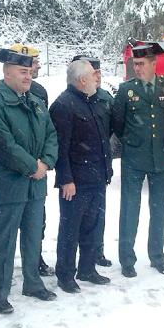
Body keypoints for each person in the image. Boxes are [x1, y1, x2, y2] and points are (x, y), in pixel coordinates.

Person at [0, 49, 58, 314]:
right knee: (4, 240)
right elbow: (3, 145)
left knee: (34, 236)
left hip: (35, 185)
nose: (28, 76)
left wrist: (45, 162)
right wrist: (32, 166)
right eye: (23, 72)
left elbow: (51, 134)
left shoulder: (35, 101)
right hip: (9, 185)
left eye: (30, 71)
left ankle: (33, 283)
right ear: (7, 72)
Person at [112, 43, 164, 278]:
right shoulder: (126, 90)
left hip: (161, 158)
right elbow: (118, 125)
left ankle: (157, 257)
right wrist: (134, 142)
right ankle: (127, 259)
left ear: (154, 63)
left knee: (159, 209)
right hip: (133, 158)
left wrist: (160, 142)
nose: (137, 68)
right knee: (130, 208)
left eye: (142, 64)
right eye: (135, 64)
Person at [49, 60, 113, 293]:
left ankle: (87, 269)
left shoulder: (94, 101)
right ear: (82, 80)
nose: (97, 77)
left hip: (97, 177)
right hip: (75, 182)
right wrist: (66, 179)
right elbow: (61, 147)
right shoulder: (63, 105)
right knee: (70, 230)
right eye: (92, 74)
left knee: (93, 227)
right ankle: (65, 275)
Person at [72, 54, 113, 267]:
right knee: (76, 219)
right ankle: (79, 258)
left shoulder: (105, 98)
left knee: (98, 216)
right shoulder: (70, 100)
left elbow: (113, 126)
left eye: (98, 72)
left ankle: (97, 251)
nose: (97, 76)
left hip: (100, 165)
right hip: (79, 168)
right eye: (92, 72)